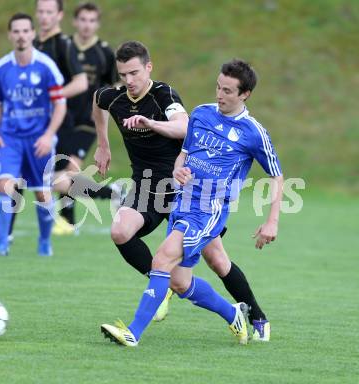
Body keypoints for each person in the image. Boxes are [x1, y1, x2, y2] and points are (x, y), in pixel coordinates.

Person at [100, 58, 283, 347]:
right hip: (181, 202)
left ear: (245, 94)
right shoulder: (201, 114)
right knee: (180, 282)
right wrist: (177, 170)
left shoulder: (253, 132)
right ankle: (233, 314)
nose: (220, 95)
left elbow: (277, 175)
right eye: (218, 88)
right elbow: (184, 154)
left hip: (208, 210)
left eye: (228, 91)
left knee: (162, 259)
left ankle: (132, 333)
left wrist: (271, 221)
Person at [0, 13, 66, 256]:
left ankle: (44, 242)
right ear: (10, 35)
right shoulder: (1, 68)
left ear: (32, 34)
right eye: (16, 31)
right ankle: (1, 244)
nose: (21, 35)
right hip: (10, 138)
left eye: (25, 31)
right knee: (5, 187)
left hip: (38, 140)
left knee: (43, 193)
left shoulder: (46, 66)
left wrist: (48, 135)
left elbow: (60, 104)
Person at [52, 1, 120, 235]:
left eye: (92, 20)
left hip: (89, 121)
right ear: (74, 21)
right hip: (62, 118)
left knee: (67, 173)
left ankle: (67, 222)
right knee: (61, 175)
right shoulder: (65, 47)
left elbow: (115, 86)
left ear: (97, 24)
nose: (87, 25)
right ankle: (111, 194)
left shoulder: (104, 52)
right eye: (83, 20)